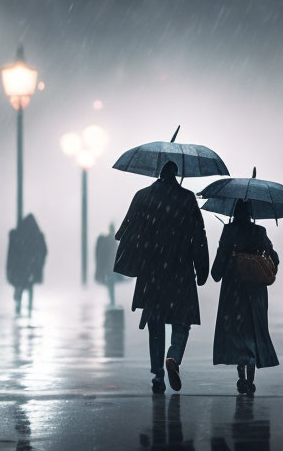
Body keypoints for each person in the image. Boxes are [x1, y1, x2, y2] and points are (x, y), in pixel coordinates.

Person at [114, 160, 209, 393]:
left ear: (158, 171)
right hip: (180, 270)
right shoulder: (187, 199)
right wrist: (202, 268)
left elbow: (125, 231)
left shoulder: (143, 196)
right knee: (181, 321)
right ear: (176, 173)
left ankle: (157, 375)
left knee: (155, 325)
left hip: (152, 271)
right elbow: (199, 236)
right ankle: (173, 356)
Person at [210, 199, 279, 394]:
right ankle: (250, 374)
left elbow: (218, 268)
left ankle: (241, 376)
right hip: (255, 291)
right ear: (250, 213)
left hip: (233, 289)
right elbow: (275, 259)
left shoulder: (229, 231)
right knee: (252, 331)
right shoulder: (259, 232)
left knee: (237, 332)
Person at [6, 213, 47, 315]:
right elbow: (43, 250)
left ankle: (18, 306)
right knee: (29, 285)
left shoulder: (18, 235)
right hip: (29, 266)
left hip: (20, 267)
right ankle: (27, 307)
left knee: (20, 285)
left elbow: (11, 253)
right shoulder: (36, 236)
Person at [95, 222, 121, 307]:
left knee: (110, 284)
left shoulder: (109, 239)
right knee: (111, 284)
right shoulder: (112, 240)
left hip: (110, 267)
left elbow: (104, 254)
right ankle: (112, 302)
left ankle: (112, 302)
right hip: (111, 267)